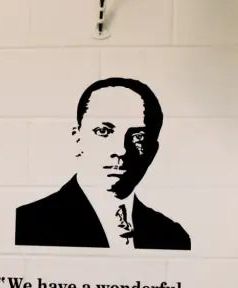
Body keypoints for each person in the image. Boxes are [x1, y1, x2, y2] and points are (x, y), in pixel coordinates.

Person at [15, 77, 190, 249]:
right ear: (77, 138)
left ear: (153, 150)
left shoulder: (172, 236)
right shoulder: (28, 224)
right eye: (103, 131)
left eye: (138, 137)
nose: (121, 150)